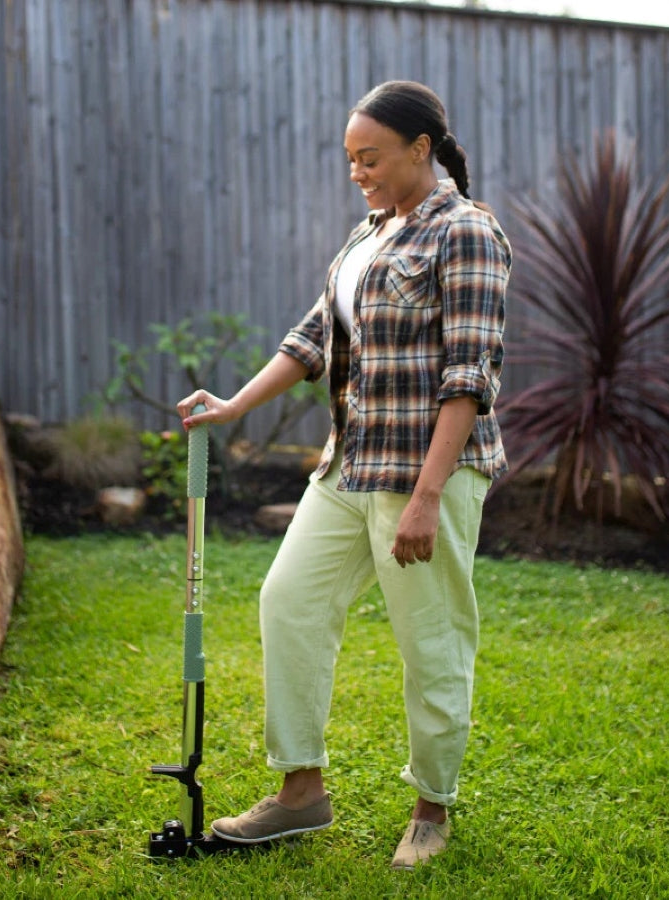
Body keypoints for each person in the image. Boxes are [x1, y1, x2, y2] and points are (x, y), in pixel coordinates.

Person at [176, 80, 511, 870]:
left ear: (421, 149)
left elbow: (469, 377)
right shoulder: (370, 232)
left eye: (371, 158)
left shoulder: (467, 233)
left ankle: (431, 809)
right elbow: (313, 337)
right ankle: (301, 793)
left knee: (430, 640)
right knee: (288, 601)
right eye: (350, 160)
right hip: (350, 463)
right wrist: (231, 407)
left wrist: (427, 498)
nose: (357, 172)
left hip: (426, 472)